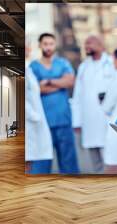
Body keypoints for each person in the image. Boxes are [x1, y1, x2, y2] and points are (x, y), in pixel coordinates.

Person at [30, 33, 80, 174]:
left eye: (51, 44)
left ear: (55, 45)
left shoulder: (62, 63)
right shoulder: (34, 66)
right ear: (40, 45)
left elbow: (70, 81)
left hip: (63, 119)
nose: (48, 47)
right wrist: (60, 83)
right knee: (42, 160)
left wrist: (49, 81)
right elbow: (36, 89)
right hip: (43, 121)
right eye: (45, 44)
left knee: (68, 161)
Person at [71, 35, 114, 173]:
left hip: (107, 119)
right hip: (88, 120)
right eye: (85, 44)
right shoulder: (83, 67)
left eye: (90, 43)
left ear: (101, 45)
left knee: (111, 158)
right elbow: (77, 96)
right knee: (95, 161)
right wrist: (76, 122)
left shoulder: (112, 63)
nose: (86, 46)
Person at [25, 42, 54, 174]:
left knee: (31, 159)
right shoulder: (26, 70)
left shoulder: (29, 70)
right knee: (28, 158)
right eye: (26, 46)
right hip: (31, 122)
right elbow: (23, 99)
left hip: (34, 122)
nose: (29, 49)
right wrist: (34, 116)